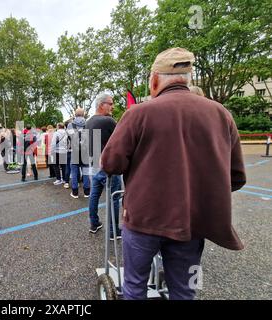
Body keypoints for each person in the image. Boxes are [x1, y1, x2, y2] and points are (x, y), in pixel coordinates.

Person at [101, 47, 246, 300]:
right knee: (184, 289)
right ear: (188, 79)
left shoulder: (138, 113)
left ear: (155, 79)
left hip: (143, 219)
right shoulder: (221, 114)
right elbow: (235, 177)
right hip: (191, 223)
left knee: (134, 286)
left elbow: (111, 163)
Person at [85, 93, 122, 239]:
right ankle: (113, 231)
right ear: (101, 105)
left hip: (94, 164)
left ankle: (94, 223)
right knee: (114, 198)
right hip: (107, 165)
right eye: (110, 104)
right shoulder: (108, 121)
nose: (113, 106)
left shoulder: (89, 121)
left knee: (94, 196)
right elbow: (123, 138)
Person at [67, 107, 90, 198]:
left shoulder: (70, 125)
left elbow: (70, 137)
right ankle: (87, 192)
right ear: (83, 114)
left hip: (75, 151)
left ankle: (75, 192)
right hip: (85, 151)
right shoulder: (88, 123)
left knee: (74, 172)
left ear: (75, 115)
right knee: (86, 172)